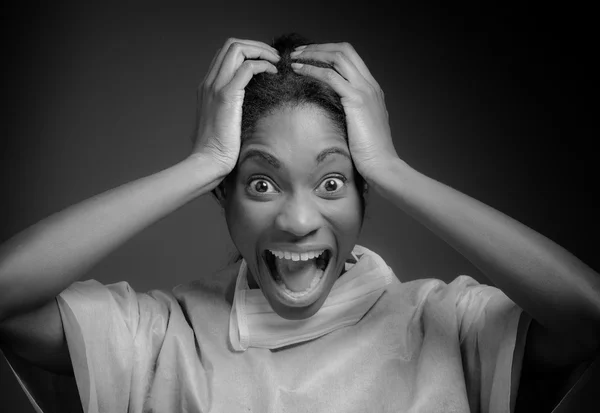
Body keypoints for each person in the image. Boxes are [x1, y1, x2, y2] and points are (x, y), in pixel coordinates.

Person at [0, 32, 598, 413]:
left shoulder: (447, 324)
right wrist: (201, 161)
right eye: (261, 183)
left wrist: (392, 166)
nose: (298, 219)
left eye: (333, 182)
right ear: (224, 196)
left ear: (368, 195)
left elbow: (588, 316)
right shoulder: (156, 340)